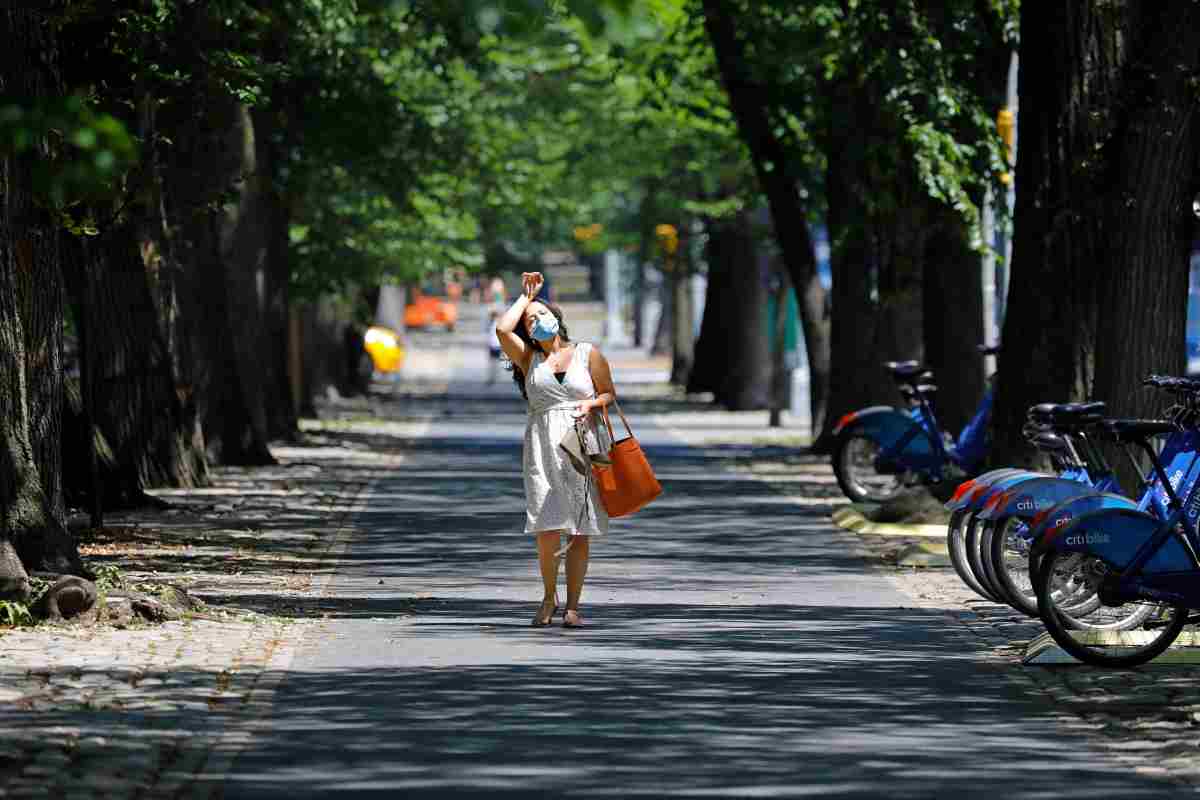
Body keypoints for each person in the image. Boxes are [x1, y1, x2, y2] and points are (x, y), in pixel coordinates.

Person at [496, 271, 616, 628]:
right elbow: (503, 330)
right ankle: (549, 596)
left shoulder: (587, 353)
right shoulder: (528, 359)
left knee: (579, 527)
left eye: (540, 314)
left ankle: (574, 606)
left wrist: (592, 405)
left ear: (557, 318)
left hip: (582, 444)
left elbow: (609, 393)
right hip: (543, 445)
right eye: (530, 321)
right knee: (547, 526)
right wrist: (526, 297)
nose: (535, 322)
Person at [485, 309, 502, 384]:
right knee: (493, 362)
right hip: (494, 345)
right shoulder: (493, 323)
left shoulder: (496, 324)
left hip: (495, 345)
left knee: (494, 362)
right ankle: (493, 377)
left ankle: (493, 377)